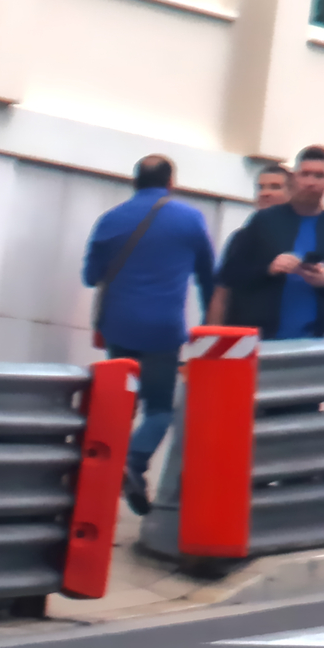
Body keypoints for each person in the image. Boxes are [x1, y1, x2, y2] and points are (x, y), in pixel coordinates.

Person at [83, 154, 216, 515]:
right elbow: (208, 276)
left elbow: (91, 276)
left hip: (119, 327)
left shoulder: (111, 219)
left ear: (135, 181)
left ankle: (101, 485)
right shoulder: (190, 220)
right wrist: (211, 326)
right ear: (171, 182)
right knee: (159, 409)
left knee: (121, 406)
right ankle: (134, 461)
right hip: (163, 331)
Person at [208, 161, 290, 325]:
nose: (265, 193)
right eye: (261, 187)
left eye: (275, 187)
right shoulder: (242, 238)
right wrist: (212, 337)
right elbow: (222, 291)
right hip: (241, 334)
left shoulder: (303, 237)